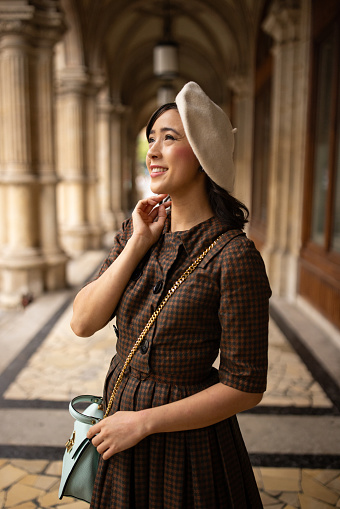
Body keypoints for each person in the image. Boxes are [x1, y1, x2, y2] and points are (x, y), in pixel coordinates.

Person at [71, 81, 271, 509]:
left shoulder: (235, 257)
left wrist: (144, 423)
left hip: (188, 451)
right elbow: (82, 322)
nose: (153, 151)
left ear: (203, 154)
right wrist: (137, 245)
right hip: (119, 437)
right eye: (151, 139)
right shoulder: (137, 233)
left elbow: (246, 387)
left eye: (170, 137)